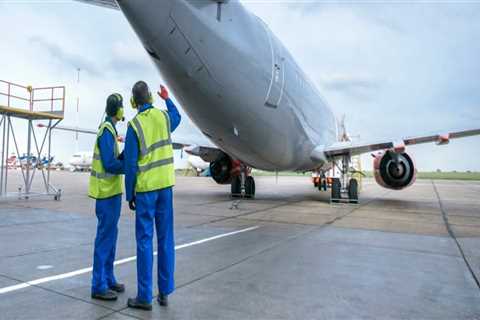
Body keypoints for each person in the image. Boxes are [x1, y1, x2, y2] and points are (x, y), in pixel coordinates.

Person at [124, 81, 181, 310]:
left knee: (144, 242)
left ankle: (145, 297)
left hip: (146, 191)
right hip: (166, 187)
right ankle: (165, 292)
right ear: (151, 97)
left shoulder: (134, 125)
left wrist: (130, 194)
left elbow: (129, 164)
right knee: (166, 239)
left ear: (134, 102)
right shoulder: (164, 117)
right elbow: (177, 116)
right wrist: (167, 97)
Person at [89, 93, 126, 301]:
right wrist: (128, 166)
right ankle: (98, 285)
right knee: (104, 239)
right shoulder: (106, 131)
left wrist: (123, 155)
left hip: (112, 193)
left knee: (111, 238)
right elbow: (109, 164)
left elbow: (113, 159)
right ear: (118, 111)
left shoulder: (111, 130)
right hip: (106, 194)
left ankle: (109, 278)